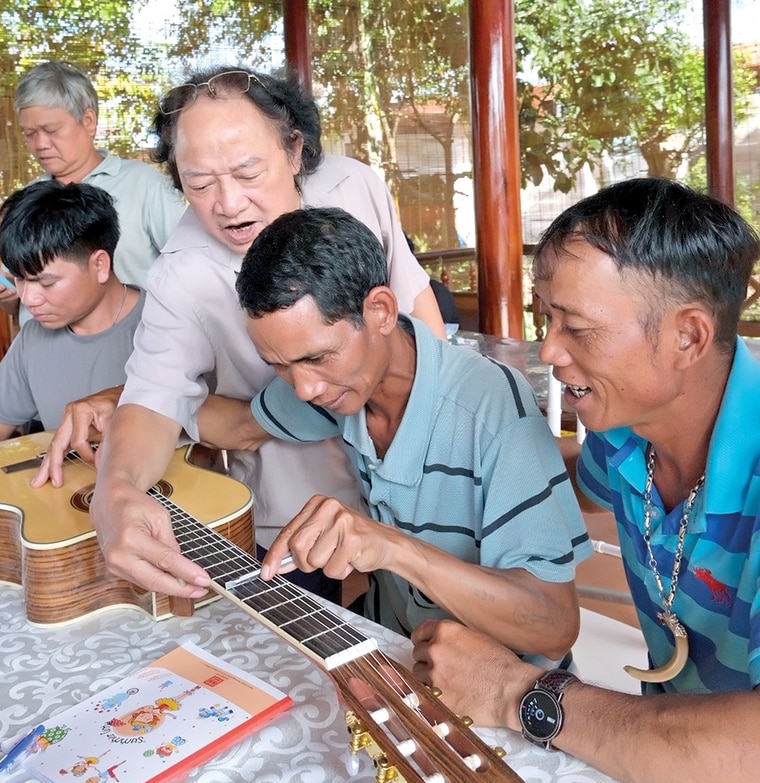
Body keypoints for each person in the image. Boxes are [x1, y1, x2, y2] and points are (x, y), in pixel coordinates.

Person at [34, 66, 446, 604]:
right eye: (199, 184)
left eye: (248, 173)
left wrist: (443, 450)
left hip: (419, 488)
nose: (227, 204)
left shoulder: (355, 186)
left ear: (295, 151)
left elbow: (420, 314)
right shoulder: (182, 273)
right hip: (299, 517)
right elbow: (152, 401)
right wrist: (116, 492)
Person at [410, 177, 760, 783]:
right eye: (547, 318)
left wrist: (513, 691)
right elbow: (570, 481)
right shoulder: (625, 437)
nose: (549, 350)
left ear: (688, 337)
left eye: (577, 327)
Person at [185, 206, 590, 661]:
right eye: (280, 364)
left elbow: (553, 625)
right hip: (397, 648)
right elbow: (238, 427)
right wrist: (134, 403)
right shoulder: (339, 389)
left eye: (318, 358)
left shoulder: (491, 407)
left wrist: (391, 548)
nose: (303, 388)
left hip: (503, 690)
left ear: (379, 311)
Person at [0, 181, 143, 480]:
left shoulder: (165, 324)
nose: (28, 298)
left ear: (100, 265)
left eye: (46, 283)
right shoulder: (34, 336)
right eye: (19, 280)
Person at [0, 60, 185, 321]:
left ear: (88, 120)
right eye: (29, 134)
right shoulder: (25, 201)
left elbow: (191, 270)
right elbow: (24, 306)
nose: (40, 144)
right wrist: (6, 295)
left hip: (129, 352)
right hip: (44, 356)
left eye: (51, 130)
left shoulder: (144, 185)